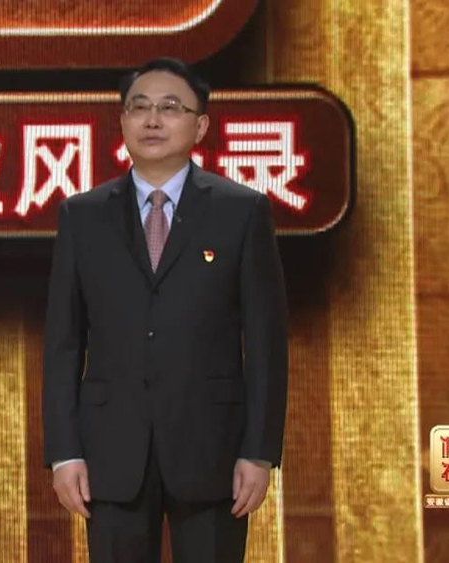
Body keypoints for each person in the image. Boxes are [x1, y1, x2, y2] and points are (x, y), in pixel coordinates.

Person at [41, 57, 289, 561]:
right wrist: (64, 452)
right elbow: (63, 343)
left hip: (215, 451)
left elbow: (266, 342)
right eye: (139, 107)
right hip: (110, 452)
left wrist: (259, 451)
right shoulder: (82, 216)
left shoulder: (241, 210)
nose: (152, 120)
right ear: (122, 121)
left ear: (201, 126)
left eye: (171, 108)